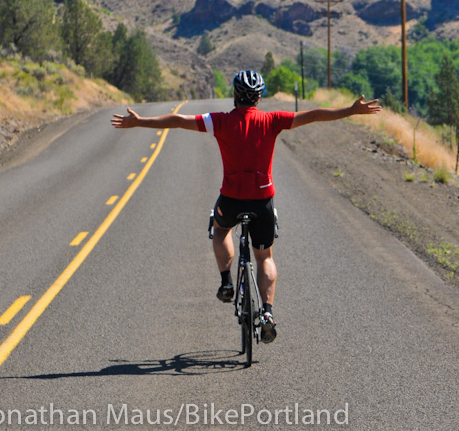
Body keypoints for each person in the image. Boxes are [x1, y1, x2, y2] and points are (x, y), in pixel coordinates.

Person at [111, 69, 381, 342]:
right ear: (259, 97)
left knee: (220, 230)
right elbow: (313, 115)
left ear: (235, 95)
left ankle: (227, 282)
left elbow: (180, 120)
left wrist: (140, 122)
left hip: (230, 199)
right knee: (264, 257)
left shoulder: (219, 122)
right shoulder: (272, 120)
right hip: (263, 201)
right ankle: (267, 312)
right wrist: (350, 110)